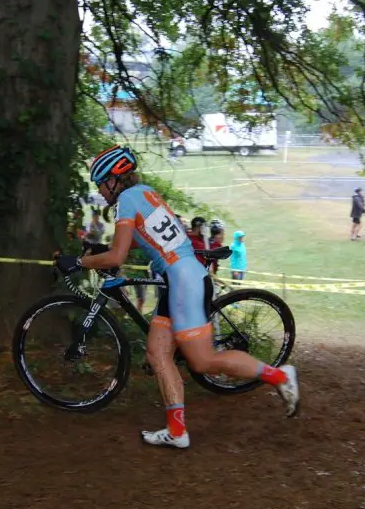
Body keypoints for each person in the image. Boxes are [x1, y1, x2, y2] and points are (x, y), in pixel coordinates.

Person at [53, 146, 299, 449]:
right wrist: (101, 251)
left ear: (115, 180)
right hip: (179, 278)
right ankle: (177, 430)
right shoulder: (144, 193)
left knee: (203, 361)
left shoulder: (125, 202)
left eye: (101, 184)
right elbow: (136, 243)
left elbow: (117, 255)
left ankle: (279, 376)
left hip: (183, 280)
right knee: (158, 353)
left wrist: (78, 263)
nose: (100, 192)